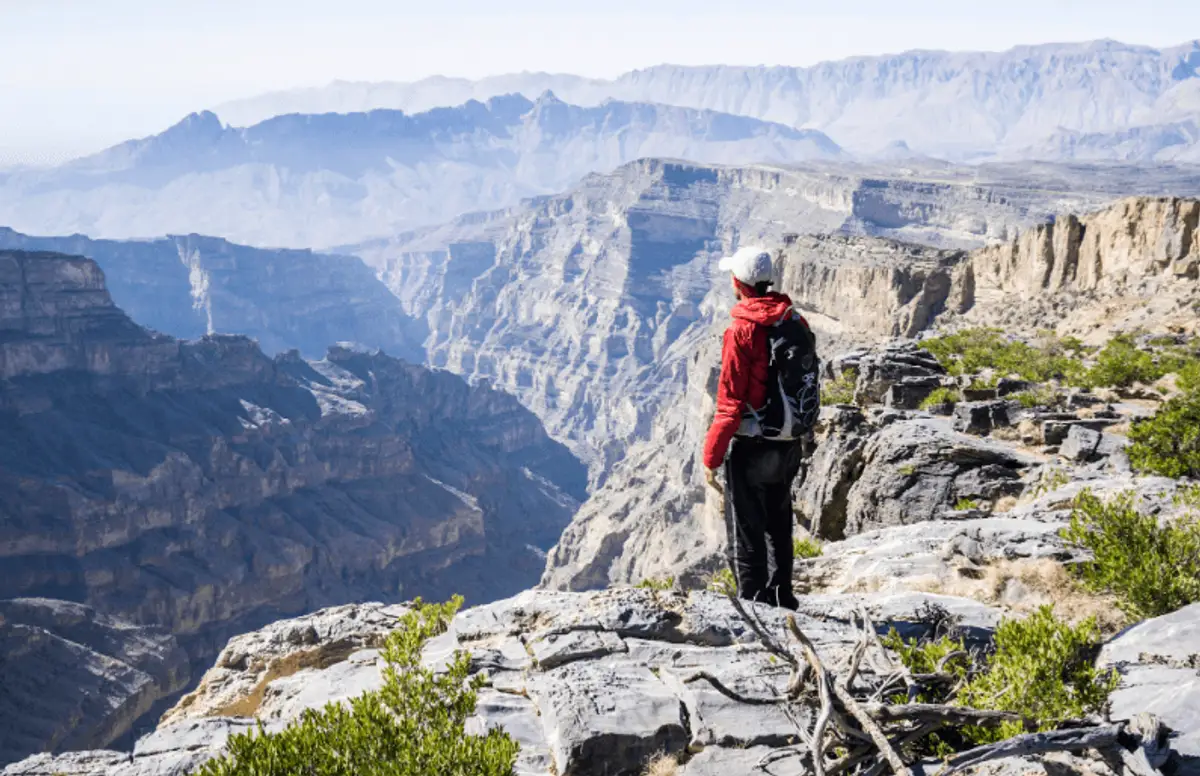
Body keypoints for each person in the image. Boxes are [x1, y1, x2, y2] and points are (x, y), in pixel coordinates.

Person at [702, 245, 813, 611]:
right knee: (779, 519)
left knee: (747, 526)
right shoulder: (793, 320)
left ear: (738, 283)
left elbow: (730, 401)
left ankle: (752, 602)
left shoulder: (743, 330)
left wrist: (711, 457)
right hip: (789, 441)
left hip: (752, 445)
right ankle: (782, 597)